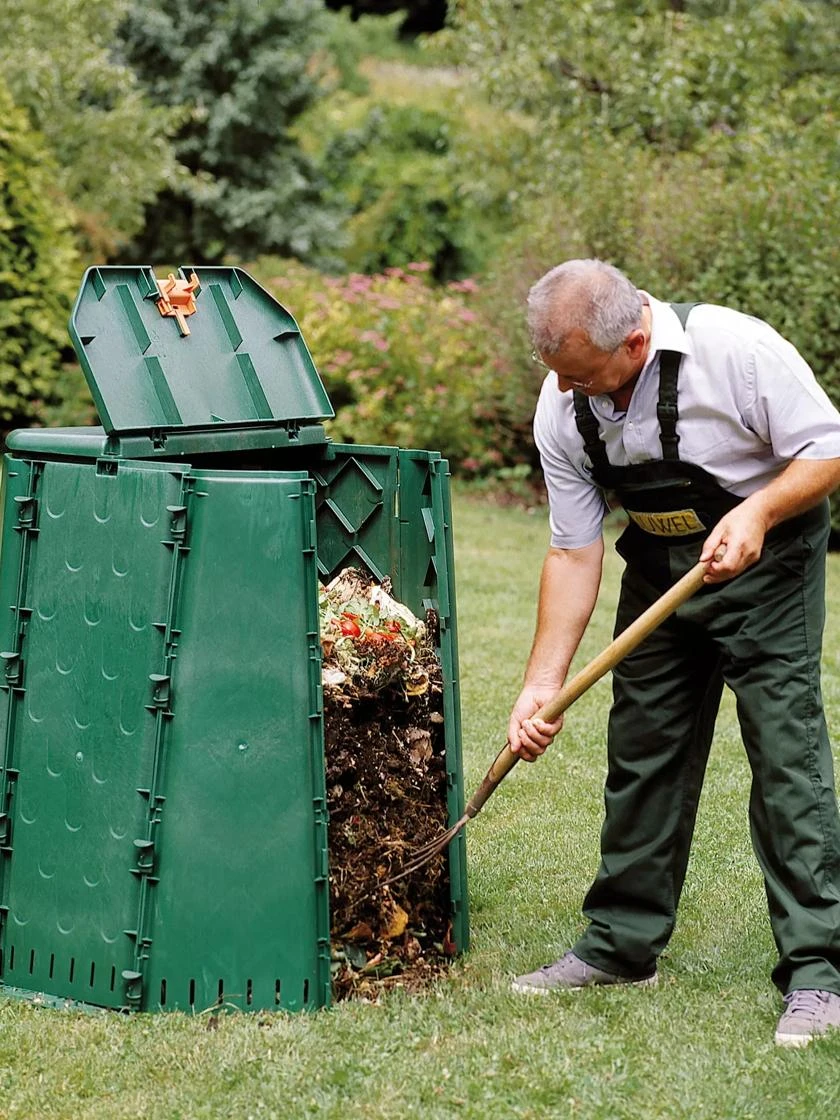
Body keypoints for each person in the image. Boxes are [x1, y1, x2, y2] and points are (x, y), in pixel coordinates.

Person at [508, 258, 840, 1048]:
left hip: (768, 564)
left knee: (786, 758)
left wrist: (759, 511)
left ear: (634, 342)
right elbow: (572, 552)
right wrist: (539, 686)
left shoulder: (735, 351)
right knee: (642, 751)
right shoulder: (564, 402)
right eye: (561, 379)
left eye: (586, 379)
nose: (571, 395)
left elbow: (828, 448)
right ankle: (620, 948)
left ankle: (819, 974)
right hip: (659, 570)